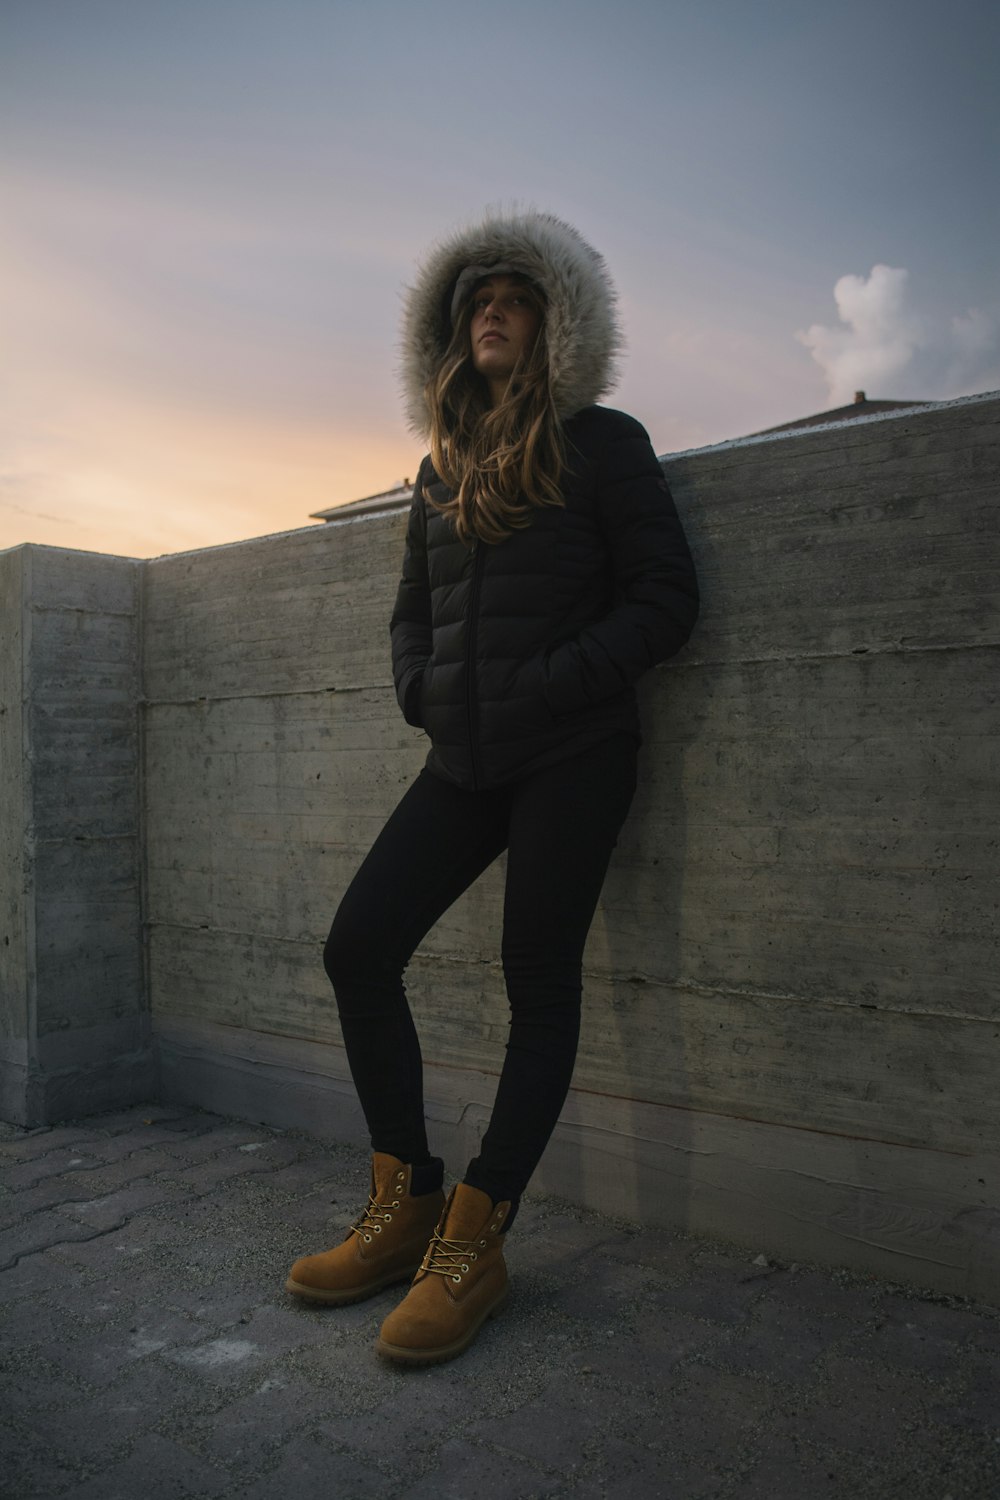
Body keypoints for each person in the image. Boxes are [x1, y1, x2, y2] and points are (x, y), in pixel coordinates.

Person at [286, 209, 699, 1366]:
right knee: (358, 947)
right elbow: (410, 615)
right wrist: (418, 686)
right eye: (475, 303)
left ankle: (475, 1239)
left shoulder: (605, 444)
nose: (491, 314)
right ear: (448, 333)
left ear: (555, 324)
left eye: (512, 299)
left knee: (537, 981)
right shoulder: (439, 471)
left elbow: (666, 601)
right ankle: (405, 1194)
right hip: (461, 759)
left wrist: (556, 683)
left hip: (574, 753)